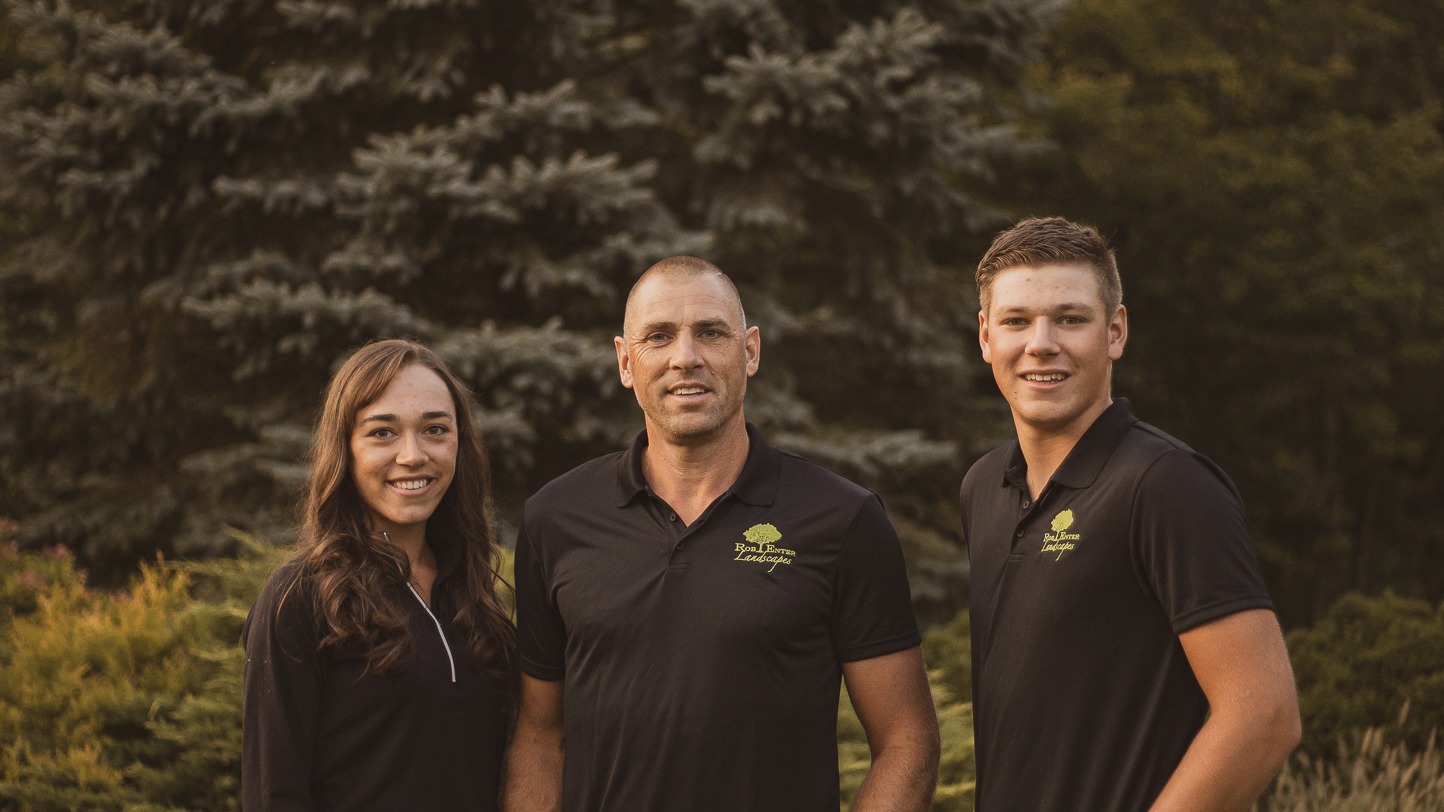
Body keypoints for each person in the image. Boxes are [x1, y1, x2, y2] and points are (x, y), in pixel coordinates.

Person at [505, 256, 940, 811]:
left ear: (750, 350)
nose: (685, 358)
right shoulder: (557, 518)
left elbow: (907, 741)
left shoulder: (842, 519)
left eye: (710, 333)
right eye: (658, 337)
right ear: (625, 362)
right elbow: (541, 737)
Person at [961, 217, 1302, 810]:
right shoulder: (984, 486)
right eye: (1017, 321)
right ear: (987, 336)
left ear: (1115, 331)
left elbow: (1263, 715)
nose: (1042, 342)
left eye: (1071, 318)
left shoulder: (1166, 484)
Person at [242, 338, 516, 811]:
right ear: (345, 451)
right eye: (382, 433)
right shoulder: (301, 598)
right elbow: (275, 793)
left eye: (434, 429)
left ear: (459, 444)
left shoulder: (475, 596)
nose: (412, 455)